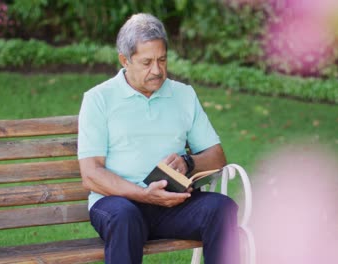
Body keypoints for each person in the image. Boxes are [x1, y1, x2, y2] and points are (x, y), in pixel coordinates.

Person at [77, 13, 239, 264]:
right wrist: (144, 195)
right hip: (117, 203)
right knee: (124, 217)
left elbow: (217, 157)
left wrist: (188, 163)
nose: (157, 70)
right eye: (147, 62)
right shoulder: (98, 99)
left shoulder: (183, 95)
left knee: (222, 208)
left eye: (162, 60)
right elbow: (91, 174)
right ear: (124, 60)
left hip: (172, 203)